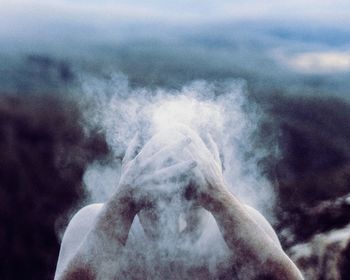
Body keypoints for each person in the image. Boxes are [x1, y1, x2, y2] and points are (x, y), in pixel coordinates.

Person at [54, 125, 303, 280]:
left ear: (215, 178)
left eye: (190, 195)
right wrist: (123, 203)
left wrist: (221, 200)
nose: (173, 220)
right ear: (130, 175)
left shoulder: (241, 227)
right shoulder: (95, 222)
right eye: (153, 197)